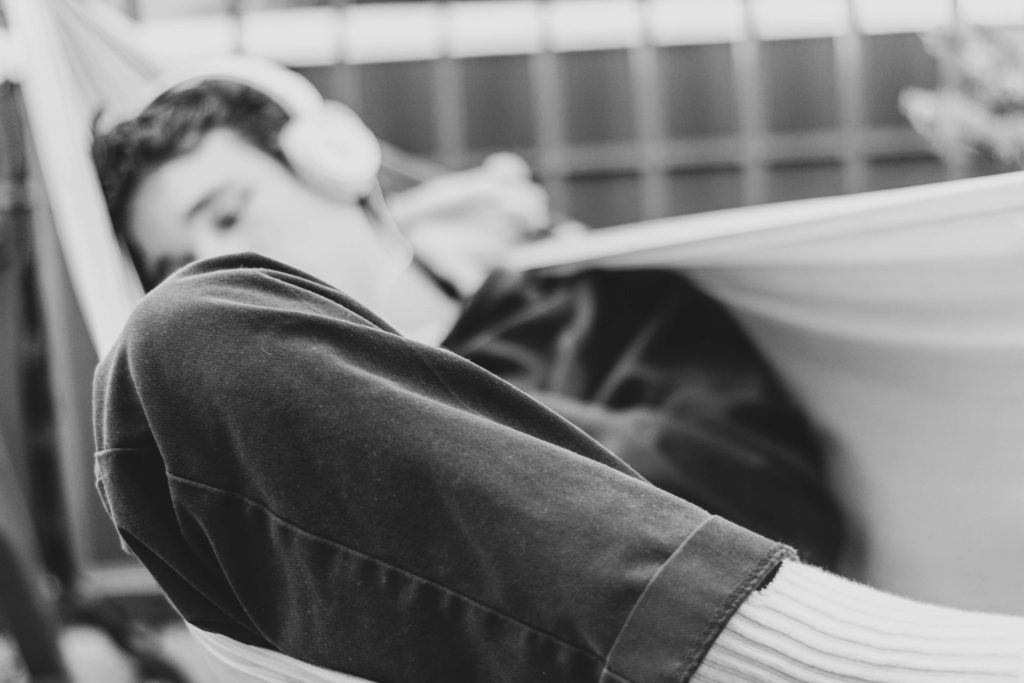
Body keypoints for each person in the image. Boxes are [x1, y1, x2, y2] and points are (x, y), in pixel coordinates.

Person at [90, 59, 1024, 681]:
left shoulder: (586, 307)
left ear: (334, 165)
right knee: (175, 346)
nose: (222, 261)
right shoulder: (227, 404)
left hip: (704, 646)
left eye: (227, 215)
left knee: (188, 332)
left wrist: (430, 393)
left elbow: (771, 496)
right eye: (178, 257)